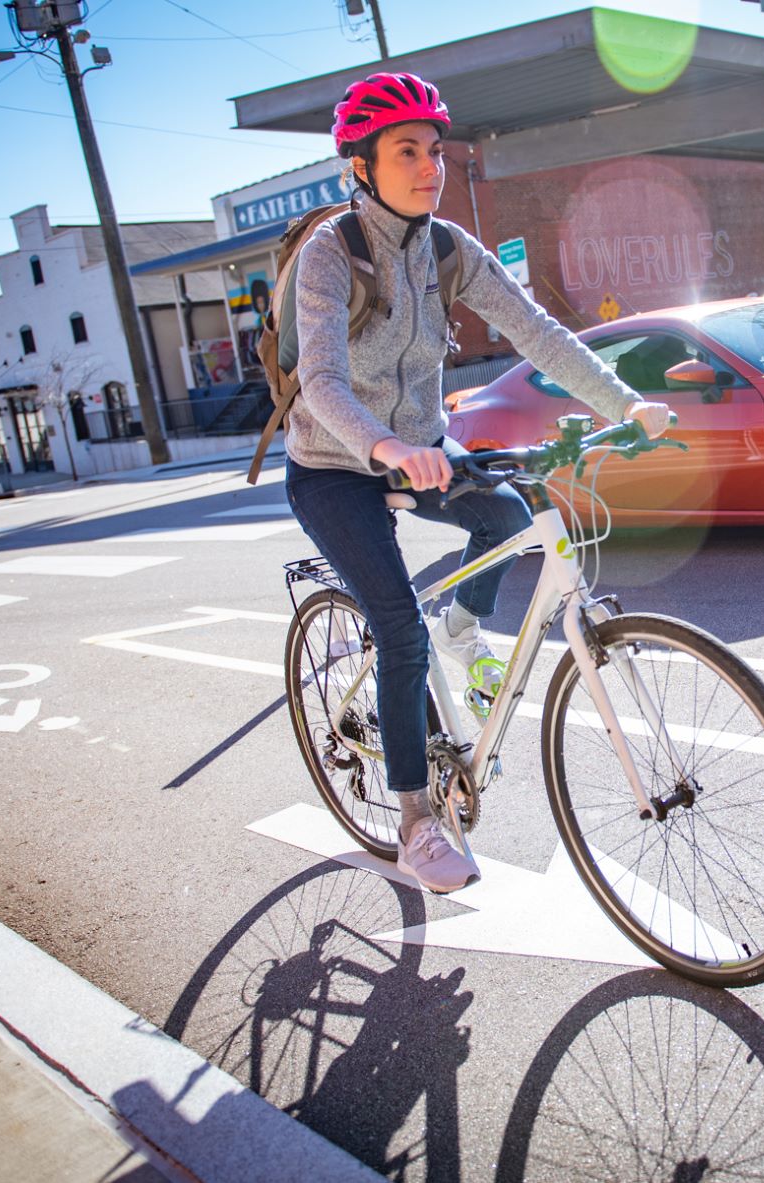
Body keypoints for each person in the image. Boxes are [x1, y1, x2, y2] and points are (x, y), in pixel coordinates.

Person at [286, 71, 670, 895]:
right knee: (396, 629)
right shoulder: (329, 255)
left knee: (509, 515)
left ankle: (464, 634)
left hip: (421, 445)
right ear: (361, 167)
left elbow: (537, 333)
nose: (432, 167)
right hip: (333, 467)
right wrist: (387, 445)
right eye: (407, 152)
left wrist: (627, 403)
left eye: (436, 150)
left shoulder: (449, 249)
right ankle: (418, 820)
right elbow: (320, 379)